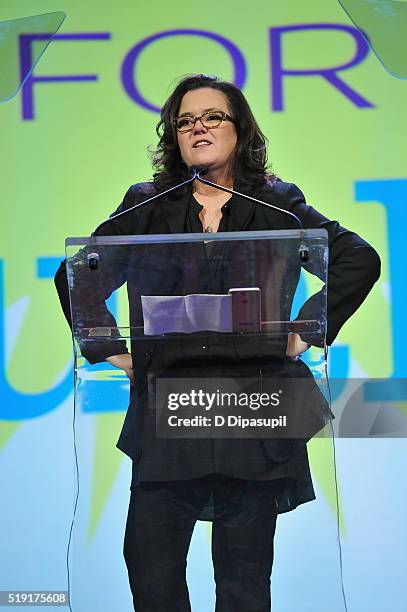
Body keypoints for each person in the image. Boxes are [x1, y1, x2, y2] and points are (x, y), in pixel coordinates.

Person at [55, 74, 381, 611]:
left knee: (244, 581)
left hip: (250, 410)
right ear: (174, 136)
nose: (197, 128)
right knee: (151, 570)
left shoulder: (276, 202)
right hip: (171, 411)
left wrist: (305, 329)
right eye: (185, 121)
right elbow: (78, 275)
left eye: (211, 117)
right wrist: (109, 347)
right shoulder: (148, 205)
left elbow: (357, 258)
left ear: (240, 129)